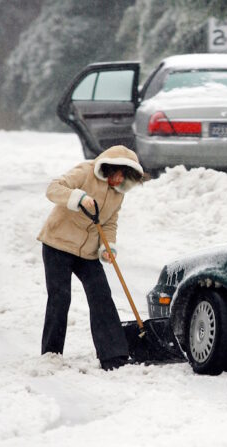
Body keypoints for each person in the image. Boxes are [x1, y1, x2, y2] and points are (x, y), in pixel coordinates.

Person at [37, 145, 144, 370]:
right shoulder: (85, 172)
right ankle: (51, 353)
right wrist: (78, 197)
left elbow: (110, 222)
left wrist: (108, 247)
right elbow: (53, 189)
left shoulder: (118, 194)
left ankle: (113, 356)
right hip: (58, 243)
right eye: (118, 174)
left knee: (101, 295)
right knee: (60, 297)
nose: (119, 180)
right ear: (109, 167)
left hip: (87, 253)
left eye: (126, 177)